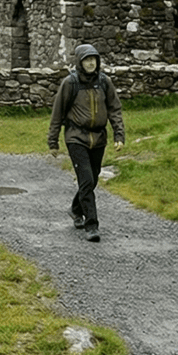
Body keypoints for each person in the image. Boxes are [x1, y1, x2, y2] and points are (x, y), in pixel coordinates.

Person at [48, 43, 125, 242]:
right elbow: (58, 113)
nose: (91, 63)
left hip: (99, 138)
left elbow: (114, 109)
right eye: (87, 60)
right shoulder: (70, 83)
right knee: (87, 180)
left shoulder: (104, 82)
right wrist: (53, 141)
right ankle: (92, 225)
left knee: (93, 178)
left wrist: (119, 135)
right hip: (76, 137)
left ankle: (75, 209)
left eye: (94, 59)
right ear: (80, 62)